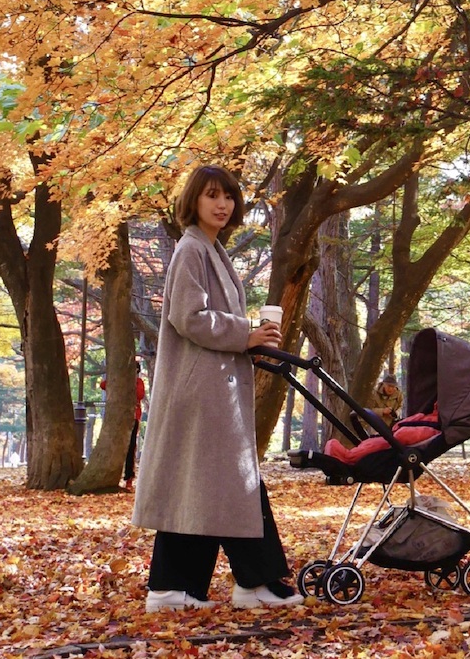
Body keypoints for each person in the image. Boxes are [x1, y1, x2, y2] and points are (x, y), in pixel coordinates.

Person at [131, 165, 304, 612]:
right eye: (212, 196)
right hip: (202, 392)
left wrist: (252, 338)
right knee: (234, 485)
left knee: (203, 486)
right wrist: (245, 333)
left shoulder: (209, 249)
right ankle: (255, 581)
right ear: (195, 201)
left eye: (228, 196)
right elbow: (189, 318)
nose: (222, 204)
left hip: (212, 388)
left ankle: (173, 588)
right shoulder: (192, 249)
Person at [99, 362, 148, 490]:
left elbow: (140, 394)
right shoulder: (120, 380)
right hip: (117, 418)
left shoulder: (139, 382)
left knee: (131, 447)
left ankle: (128, 477)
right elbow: (103, 385)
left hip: (132, 418)